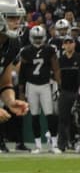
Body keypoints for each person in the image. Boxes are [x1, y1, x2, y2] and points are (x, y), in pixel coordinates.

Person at [17, 24, 59, 153]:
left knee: (50, 115)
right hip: (31, 85)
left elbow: (56, 68)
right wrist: (21, 91)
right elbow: (21, 72)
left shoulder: (49, 50)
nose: (38, 40)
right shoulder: (25, 51)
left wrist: (58, 84)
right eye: (36, 37)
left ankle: (54, 145)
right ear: (31, 37)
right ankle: (38, 146)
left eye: (40, 37)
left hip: (45, 85)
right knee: (34, 115)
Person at [0, 0, 32, 152]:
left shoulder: (13, 44)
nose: (17, 22)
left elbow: (4, 83)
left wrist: (10, 101)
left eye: (18, 18)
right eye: (11, 17)